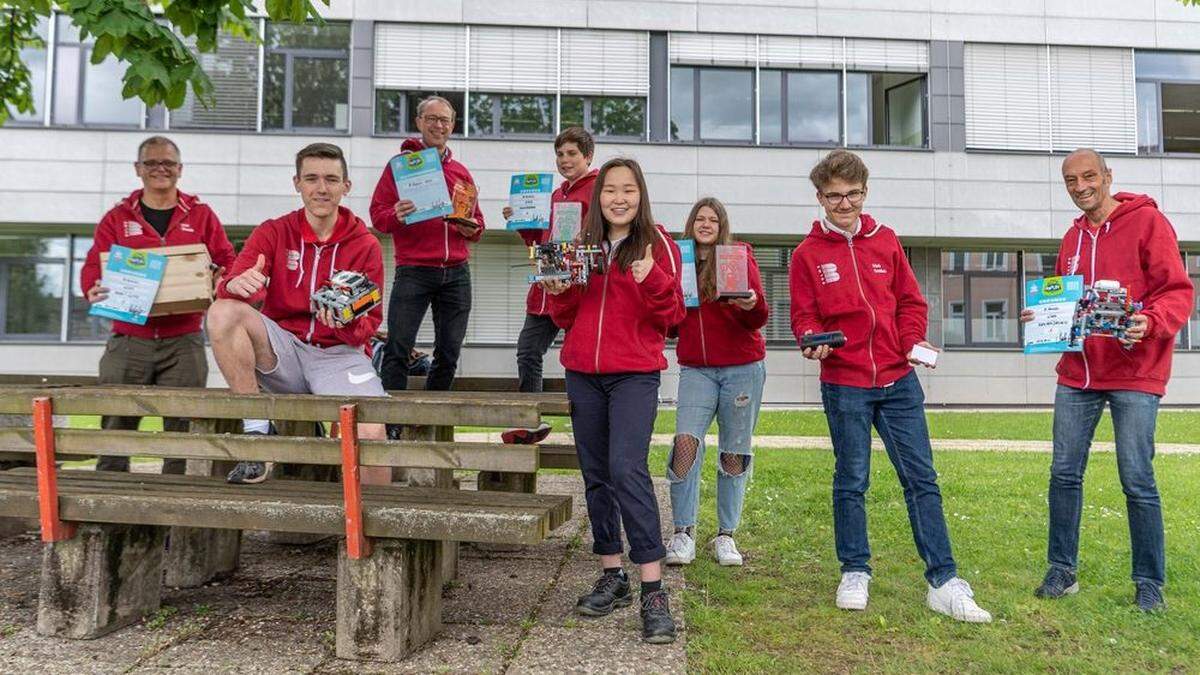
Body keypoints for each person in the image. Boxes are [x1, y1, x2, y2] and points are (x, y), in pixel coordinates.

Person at [789, 149, 992, 623]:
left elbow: (910, 303)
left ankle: (944, 582)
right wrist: (809, 340)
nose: (844, 204)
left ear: (865, 192)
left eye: (852, 194)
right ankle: (854, 569)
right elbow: (804, 316)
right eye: (834, 196)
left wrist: (909, 344)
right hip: (845, 383)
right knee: (852, 481)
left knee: (922, 480)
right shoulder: (806, 255)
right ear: (820, 197)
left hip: (899, 381)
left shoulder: (887, 241)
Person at [1020, 149, 1193, 612]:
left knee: (1137, 477)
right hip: (1078, 375)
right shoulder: (1071, 238)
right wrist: (1041, 318)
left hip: (1135, 373)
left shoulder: (1148, 223)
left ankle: (1148, 582)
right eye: (1071, 180)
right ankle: (1062, 570)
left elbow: (1177, 290)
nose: (1080, 186)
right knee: (1063, 474)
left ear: (1108, 176)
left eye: (1089, 176)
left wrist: (1151, 321)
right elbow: (1064, 300)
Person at [541, 157, 685, 644]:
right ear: (596, 197)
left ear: (640, 196)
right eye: (609, 191)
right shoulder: (579, 245)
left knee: (628, 469)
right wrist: (560, 291)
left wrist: (651, 278)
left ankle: (653, 588)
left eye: (628, 190)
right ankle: (612, 574)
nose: (618, 198)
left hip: (635, 375)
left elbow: (672, 316)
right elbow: (564, 316)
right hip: (583, 371)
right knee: (596, 472)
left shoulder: (658, 244)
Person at [208, 143, 389, 485]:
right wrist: (237, 285)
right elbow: (234, 284)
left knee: (371, 432)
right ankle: (256, 436)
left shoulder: (365, 245)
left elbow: (370, 325)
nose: (322, 188)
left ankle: (378, 529)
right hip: (283, 350)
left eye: (332, 179)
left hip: (338, 355)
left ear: (345, 186)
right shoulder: (274, 231)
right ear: (297, 183)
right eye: (312, 178)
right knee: (222, 311)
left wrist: (347, 325)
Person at [80, 135, 236, 474]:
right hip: (128, 340)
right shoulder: (118, 217)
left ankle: (171, 521)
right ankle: (109, 520)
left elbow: (227, 260)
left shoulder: (201, 214)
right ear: (138, 169)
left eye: (168, 163)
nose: (160, 169)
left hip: (184, 341)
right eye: (151, 162)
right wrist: (90, 287)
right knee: (115, 431)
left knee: (180, 437)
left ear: (180, 169)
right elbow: (95, 265)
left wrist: (218, 278)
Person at [663, 197, 768, 568]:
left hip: (742, 367)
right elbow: (672, 324)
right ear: (691, 223)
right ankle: (683, 532)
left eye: (713, 219)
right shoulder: (678, 261)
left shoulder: (738, 256)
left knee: (734, 450)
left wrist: (750, 304)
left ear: (722, 226)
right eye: (700, 218)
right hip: (697, 369)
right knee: (686, 443)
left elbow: (759, 316)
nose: (706, 224)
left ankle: (726, 535)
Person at [369, 95, 485, 414]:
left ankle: (430, 420)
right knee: (398, 348)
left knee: (449, 352)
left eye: (445, 120)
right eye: (432, 119)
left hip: (457, 273)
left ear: (453, 126)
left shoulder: (461, 172)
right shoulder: (400, 167)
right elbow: (378, 216)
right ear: (419, 122)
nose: (438, 125)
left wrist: (468, 227)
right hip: (415, 270)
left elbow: (479, 224)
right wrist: (397, 214)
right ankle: (390, 424)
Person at [502, 126, 599, 445]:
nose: (564, 160)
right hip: (545, 289)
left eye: (572, 153)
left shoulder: (598, 191)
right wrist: (521, 224)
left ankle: (590, 424)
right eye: (559, 154)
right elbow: (539, 241)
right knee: (527, 351)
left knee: (579, 357)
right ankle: (530, 421)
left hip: (579, 293)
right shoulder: (554, 194)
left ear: (588, 155)